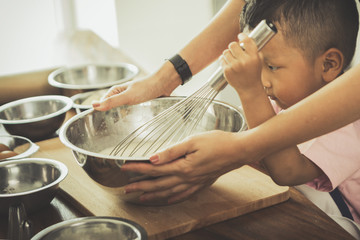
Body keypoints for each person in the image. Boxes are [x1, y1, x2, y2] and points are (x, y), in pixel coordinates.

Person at [93, 0, 360, 236]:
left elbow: (286, 170)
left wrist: (250, 89)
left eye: (272, 67)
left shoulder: (347, 127)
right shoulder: (286, 95)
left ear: (329, 65)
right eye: (259, 65)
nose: (263, 80)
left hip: (338, 224)